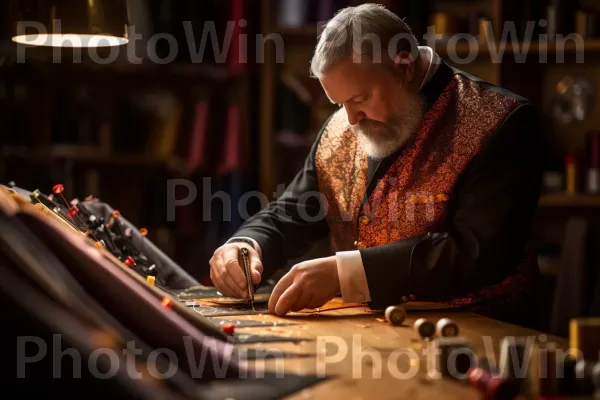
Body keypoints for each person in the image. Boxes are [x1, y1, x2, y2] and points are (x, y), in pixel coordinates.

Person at [209, 4, 542, 324]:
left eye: (359, 99)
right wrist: (245, 245)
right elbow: (294, 212)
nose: (350, 120)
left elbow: (476, 252)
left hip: (481, 336)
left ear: (405, 67)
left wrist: (346, 273)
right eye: (339, 103)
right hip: (369, 333)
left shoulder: (500, 121)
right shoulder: (347, 123)